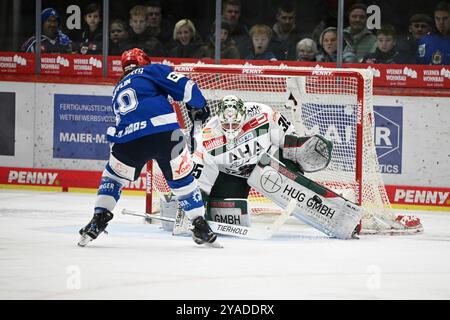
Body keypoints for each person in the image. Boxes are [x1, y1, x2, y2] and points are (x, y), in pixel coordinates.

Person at [78, 48, 217, 247]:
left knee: (113, 177)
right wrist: (199, 105)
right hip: (165, 134)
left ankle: (98, 219)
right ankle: (199, 224)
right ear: (144, 61)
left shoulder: (117, 89)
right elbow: (187, 87)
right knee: (182, 179)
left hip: (127, 139)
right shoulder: (151, 70)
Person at [190, 95, 332, 228]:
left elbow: (290, 142)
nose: (231, 129)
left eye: (236, 124)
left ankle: (318, 204)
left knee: (292, 173)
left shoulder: (265, 115)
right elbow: (201, 182)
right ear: (219, 120)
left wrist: (305, 148)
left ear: (244, 115)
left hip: (267, 162)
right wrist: (194, 214)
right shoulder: (205, 139)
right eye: (226, 126)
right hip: (233, 175)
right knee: (225, 217)